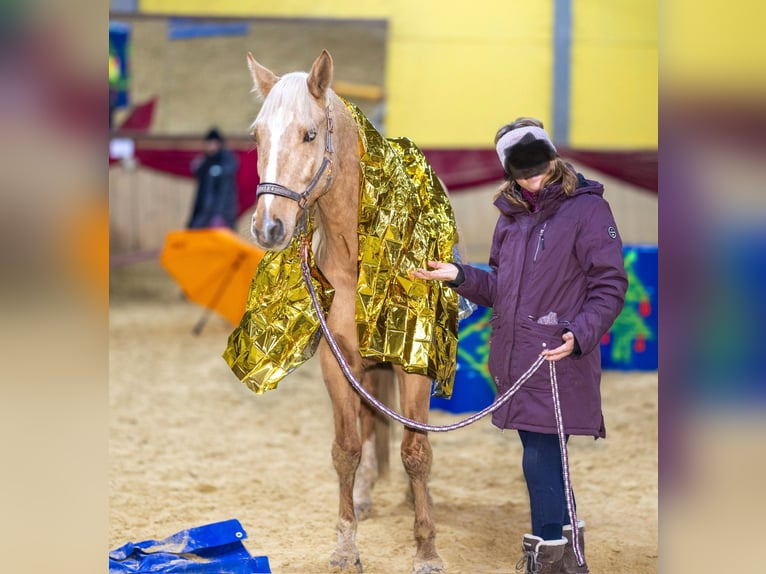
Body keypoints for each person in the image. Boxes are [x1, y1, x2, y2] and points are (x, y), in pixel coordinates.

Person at [412, 117, 628, 574]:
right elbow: (502, 289)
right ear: (509, 171)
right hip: (516, 358)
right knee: (546, 455)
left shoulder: (587, 210)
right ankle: (567, 557)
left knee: (541, 455)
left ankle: (547, 555)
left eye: (538, 167)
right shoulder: (509, 218)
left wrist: (581, 332)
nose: (532, 178)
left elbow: (610, 284)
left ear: (552, 158)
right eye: (522, 171)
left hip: (557, 356)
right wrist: (460, 276)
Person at [187, 128, 239, 229]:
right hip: (204, 211)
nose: (211, 146)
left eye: (213, 143)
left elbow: (225, 193)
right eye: (209, 143)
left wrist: (219, 215)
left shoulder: (226, 160)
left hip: (222, 213)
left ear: (219, 144)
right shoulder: (205, 161)